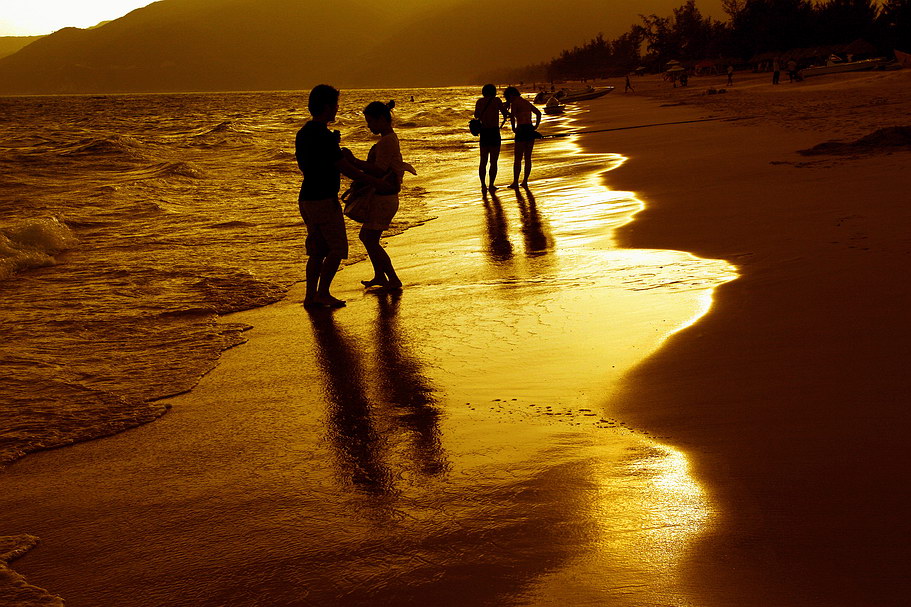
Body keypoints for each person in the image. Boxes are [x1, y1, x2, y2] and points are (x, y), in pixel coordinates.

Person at [295, 84, 389, 308]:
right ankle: (323, 293)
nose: (337, 109)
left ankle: (311, 296)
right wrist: (377, 182)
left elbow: (305, 164)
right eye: (335, 104)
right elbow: (346, 169)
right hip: (324, 199)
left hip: (306, 198)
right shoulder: (324, 137)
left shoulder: (303, 133)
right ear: (327, 107)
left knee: (317, 250)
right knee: (337, 249)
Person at [343, 101, 416, 290]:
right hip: (386, 197)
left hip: (384, 199)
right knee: (368, 238)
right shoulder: (391, 139)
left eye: (370, 122)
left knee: (369, 239)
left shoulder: (386, 141)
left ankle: (392, 278)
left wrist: (353, 161)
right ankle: (380, 276)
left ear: (381, 119)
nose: (369, 126)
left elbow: (378, 169)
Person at [503, 86, 542, 189]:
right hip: (529, 128)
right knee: (528, 157)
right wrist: (535, 126)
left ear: (511, 95)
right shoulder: (526, 102)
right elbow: (538, 113)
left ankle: (515, 182)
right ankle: (525, 181)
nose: (508, 99)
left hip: (521, 129)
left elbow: (512, 117)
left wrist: (513, 128)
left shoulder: (514, 103)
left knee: (518, 158)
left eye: (508, 97)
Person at [474, 84, 509, 192]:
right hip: (494, 132)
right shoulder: (497, 100)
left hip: (484, 133)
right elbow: (505, 113)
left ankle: (483, 185)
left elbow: (476, 115)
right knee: (493, 161)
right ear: (494, 91)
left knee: (483, 161)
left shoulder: (479, 102)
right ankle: (491, 185)